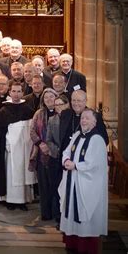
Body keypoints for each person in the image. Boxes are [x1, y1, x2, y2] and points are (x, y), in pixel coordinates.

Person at [58, 109, 108, 254]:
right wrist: (66, 160)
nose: (84, 121)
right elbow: (67, 151)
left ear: (94, 122)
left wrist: (76, 166)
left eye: (87, 118)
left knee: (84, 214)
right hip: (73, 181)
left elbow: (95, 164)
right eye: (83, 118)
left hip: (87, 185)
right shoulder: (78, 135)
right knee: (72, 212)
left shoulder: (97, 139)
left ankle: (86, 247)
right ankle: (73, 244)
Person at [0, 81, 36, 211]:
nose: (16, 94)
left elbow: (31, 129)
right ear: (9, 93)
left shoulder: (28, 109)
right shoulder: (4, 110)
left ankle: (23, 200)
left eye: (19, 91)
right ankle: (10, 200)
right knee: (11, 174)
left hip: (24, 148)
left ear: (22, 93)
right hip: (11, 148)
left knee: (23, 173)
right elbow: (1, 132)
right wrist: (7, 143)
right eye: (14, 91)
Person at [29, 88, 58, 221]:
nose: (48, 100)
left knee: (55, 186)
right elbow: (32, 131)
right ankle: (45, 213)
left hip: (57, 155)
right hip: (41, 154)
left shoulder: (61, 113)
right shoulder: (39, 113)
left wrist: (52, 147)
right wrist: (41, 144)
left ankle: (57, 213)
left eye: (51, 97)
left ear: (56, 98)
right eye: (46, 98)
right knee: (43, 185)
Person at [46, 94, 71, 226]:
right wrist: (57, 151)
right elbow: (48, 140)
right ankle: (57, 217)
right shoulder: (52, 120)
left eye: (61, 104)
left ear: (67, 105)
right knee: (55, 187)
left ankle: (67, 215)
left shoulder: (72, 119)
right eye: (56, 105)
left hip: (68, 160)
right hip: (55, 158)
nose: (58, 107)